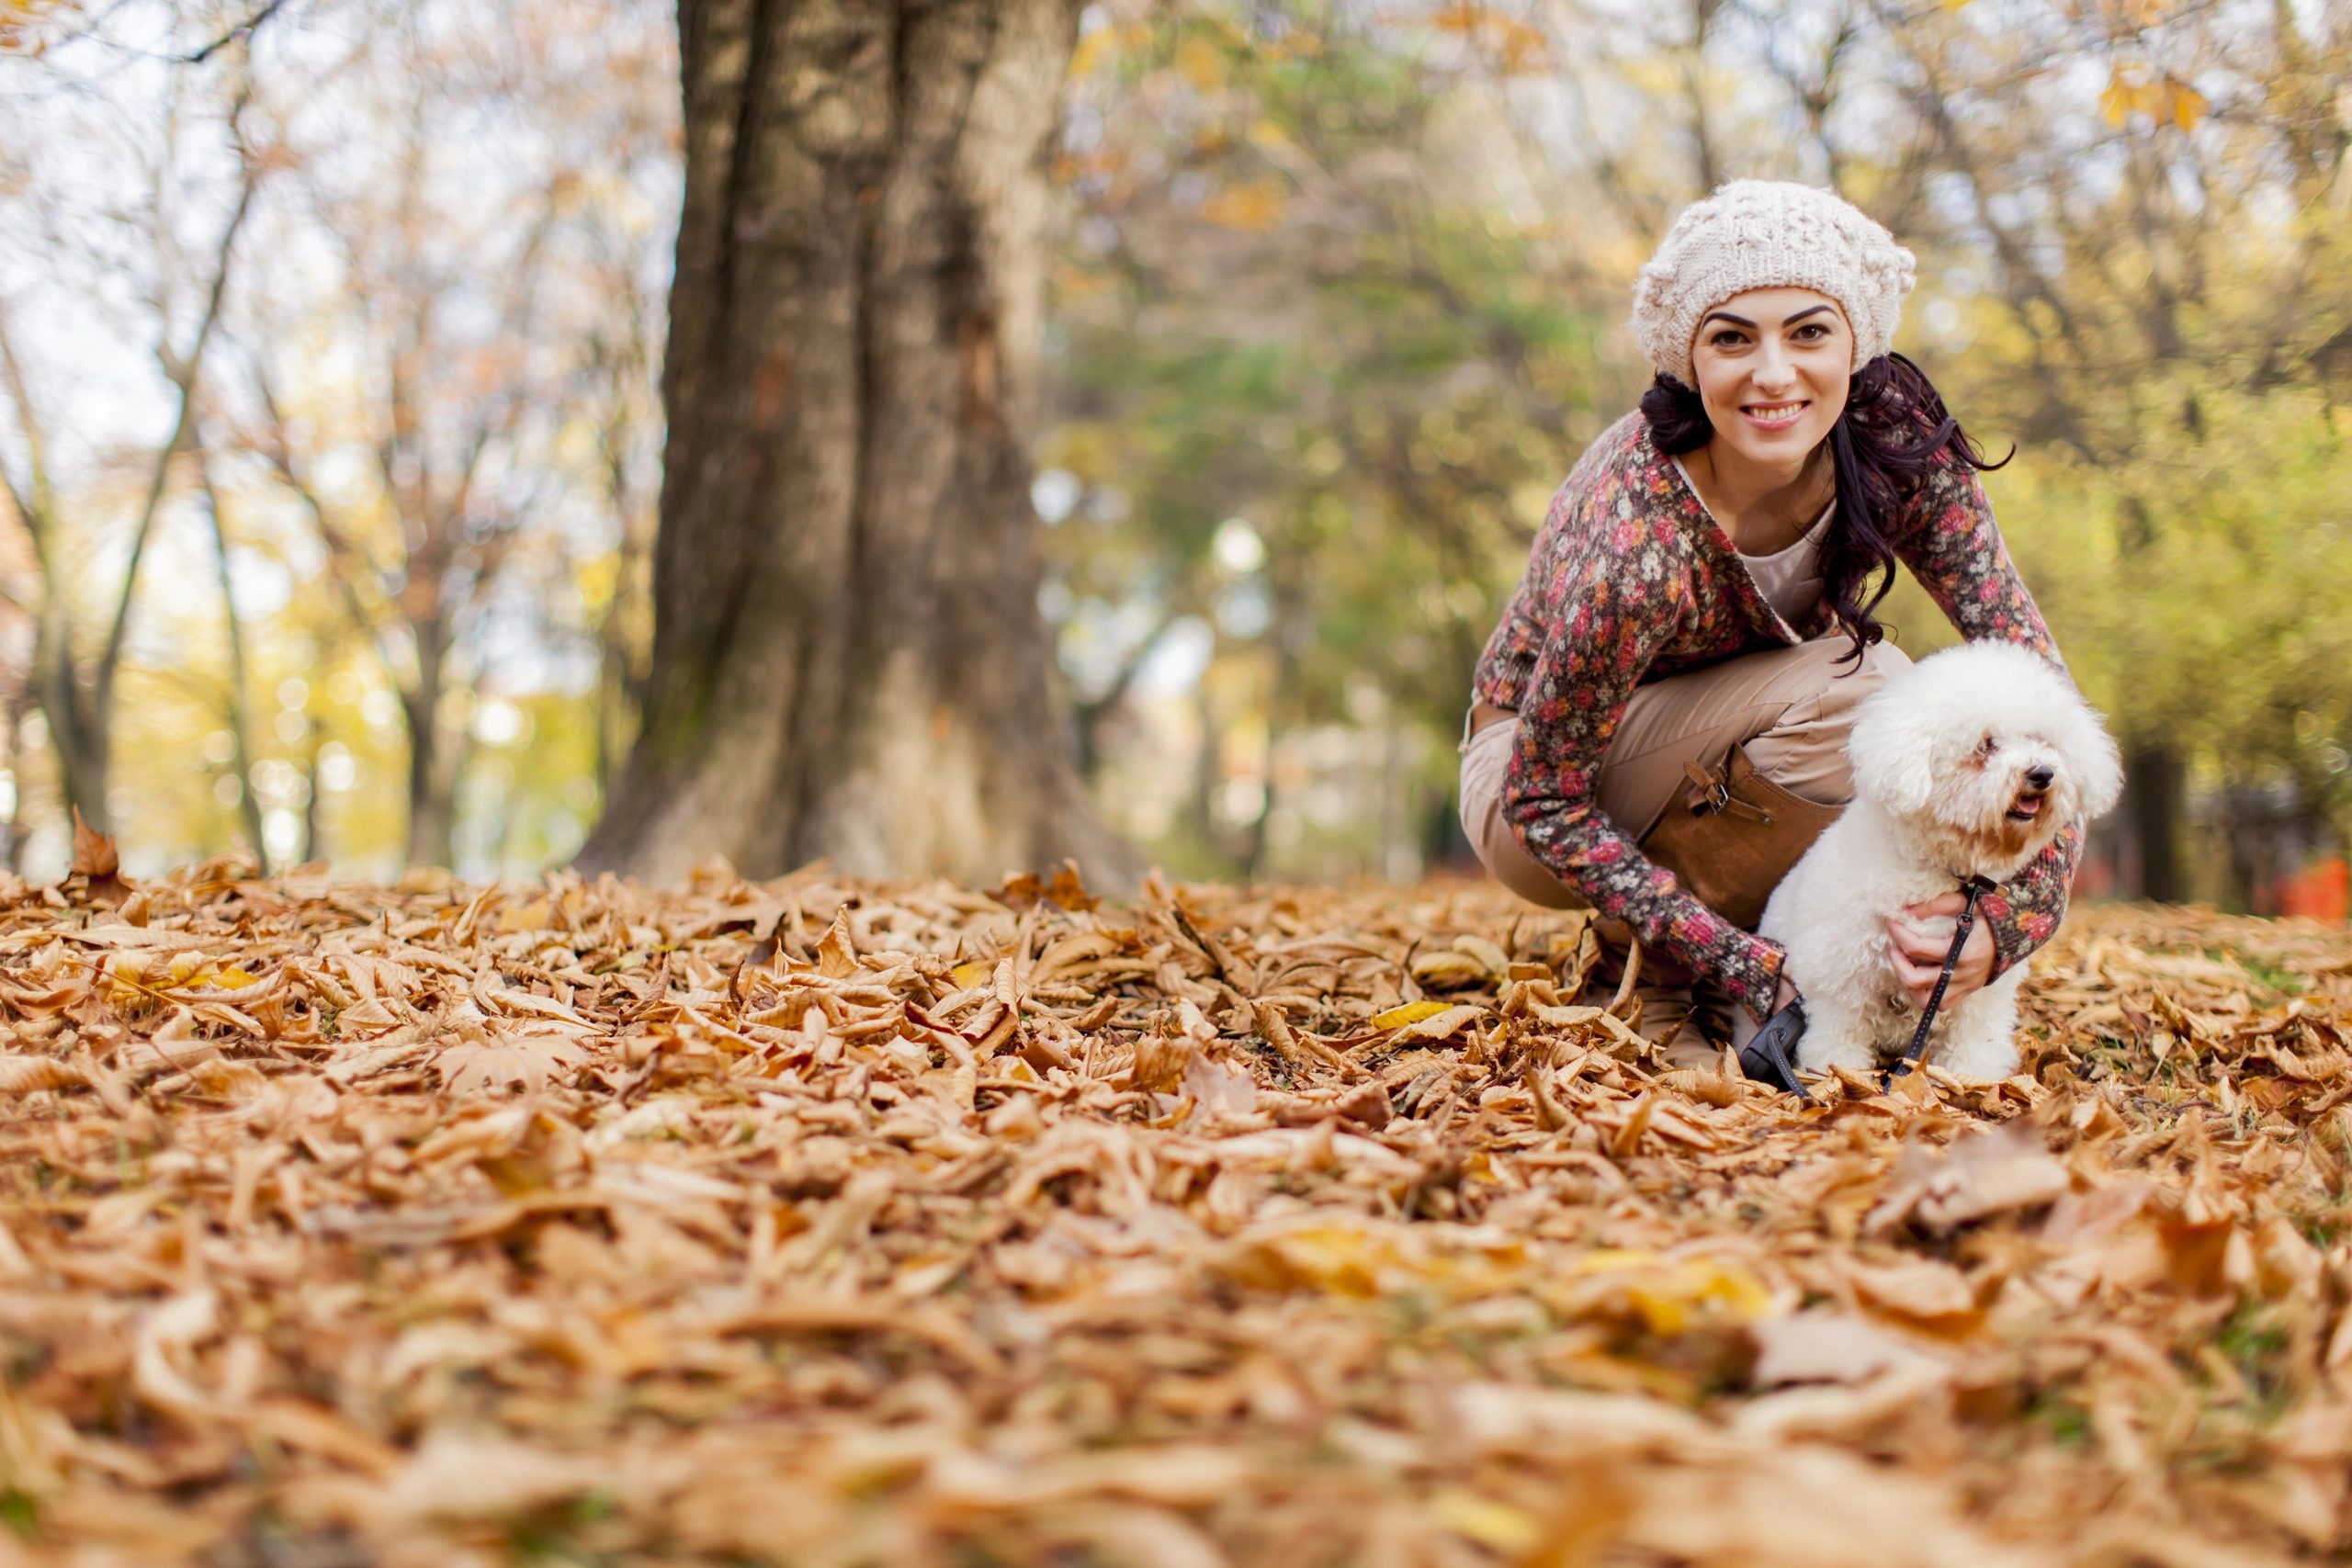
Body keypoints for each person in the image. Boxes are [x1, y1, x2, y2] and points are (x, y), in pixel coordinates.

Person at [1457, 179, 2080, 1067]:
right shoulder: (1641, 533)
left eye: (1809, 330)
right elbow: (1543, 800)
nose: (1776, 373)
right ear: (1690, 358)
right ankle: (1659, 975)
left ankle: (1836, 972)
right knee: (1867, 691)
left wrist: (2009, 926)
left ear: (1855, 339)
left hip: (1716, 743)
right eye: (1733, 338)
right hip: (1534, 786)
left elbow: (2043, 695)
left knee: (1879, 703)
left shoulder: (1898, 447)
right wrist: (1742, 960)